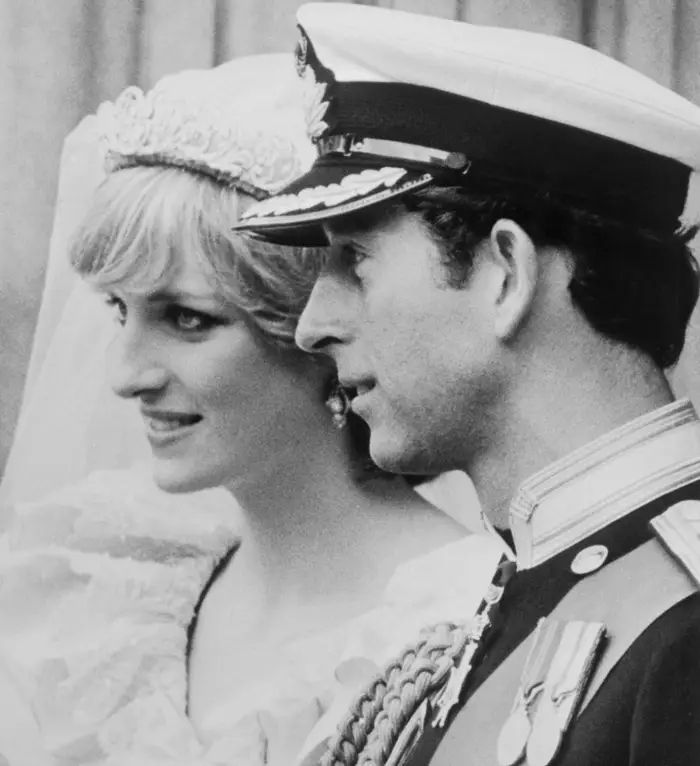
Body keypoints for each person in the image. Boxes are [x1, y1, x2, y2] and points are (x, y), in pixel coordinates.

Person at [0, 53, 502, 766]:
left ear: (322, 333)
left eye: (188, 319)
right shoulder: (116, 591)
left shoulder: (457, 620)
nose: (124, 375)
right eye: (120, 311)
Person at [236, 5, 700, 766]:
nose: (310, 326)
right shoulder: (533, 585)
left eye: (355, 261)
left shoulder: (681, 628)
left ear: (506, 275)